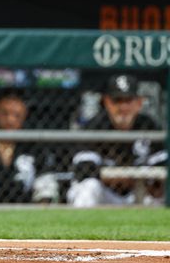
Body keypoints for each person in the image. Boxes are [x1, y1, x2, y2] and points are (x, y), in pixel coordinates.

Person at [67, 74, 167, 206]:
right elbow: (84, 169)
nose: (123, 107)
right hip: (105, 193)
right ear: (107, 102)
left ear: (139, 103)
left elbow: (163, 163)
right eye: (117, 100)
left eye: (128, 100)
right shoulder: (94, 126)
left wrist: (142, 179)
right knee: (89, 187)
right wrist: (117, 176)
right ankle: (80, 227)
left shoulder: (148, 126)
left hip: (139, 192)